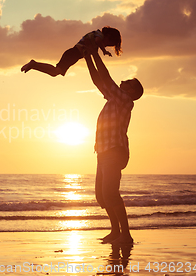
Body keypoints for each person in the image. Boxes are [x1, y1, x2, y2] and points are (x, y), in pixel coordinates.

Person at [83, 49, 143, 245]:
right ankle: (116, 232)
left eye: (128, 82)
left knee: (110, 193)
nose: (122, 81)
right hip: (103, 151)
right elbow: (98, 81)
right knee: (102, 196)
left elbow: (106, 78)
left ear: (131, 91)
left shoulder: (125, 100)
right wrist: (87, 57)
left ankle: (126, 235)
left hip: (114, 151)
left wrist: (95, 53)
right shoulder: (113, 99)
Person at [21, 26, 122, 77]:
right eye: (108, 44)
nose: (106, 46)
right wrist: (103, 51)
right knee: (56, 71)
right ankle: (34, 64)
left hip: (73, 55)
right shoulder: (99, 35)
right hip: (73, 53)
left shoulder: (96, 37)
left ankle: (34, 65)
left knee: (56, 72)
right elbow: (98, 41)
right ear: (108, 36)